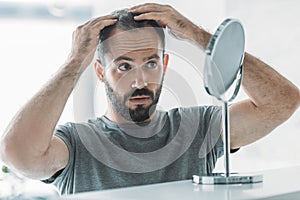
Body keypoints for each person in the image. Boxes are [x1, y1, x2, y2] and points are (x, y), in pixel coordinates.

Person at [0, 3, 299, 195]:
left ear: (165, 65)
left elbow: (283, 101)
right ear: (101, 73)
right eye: (124, 66)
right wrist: (75, 61)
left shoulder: (198, 129)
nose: (141, 81)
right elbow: (17, 154)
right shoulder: (78, 143)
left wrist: (197, 35)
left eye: (151, 64)